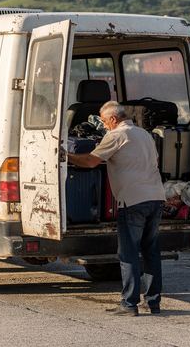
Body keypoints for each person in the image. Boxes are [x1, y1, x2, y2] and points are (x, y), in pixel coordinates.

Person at [67, 101, 165, 316]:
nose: (103, 125)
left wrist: (65, 157)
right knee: (150, 252)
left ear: (113, 119)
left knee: (128, 253)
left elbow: (91, 161)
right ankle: (153, 302)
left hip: (133, 201)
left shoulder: (116, 135)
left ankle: (129, 304)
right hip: (156, 197)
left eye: (103, 121)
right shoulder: (144, 134)